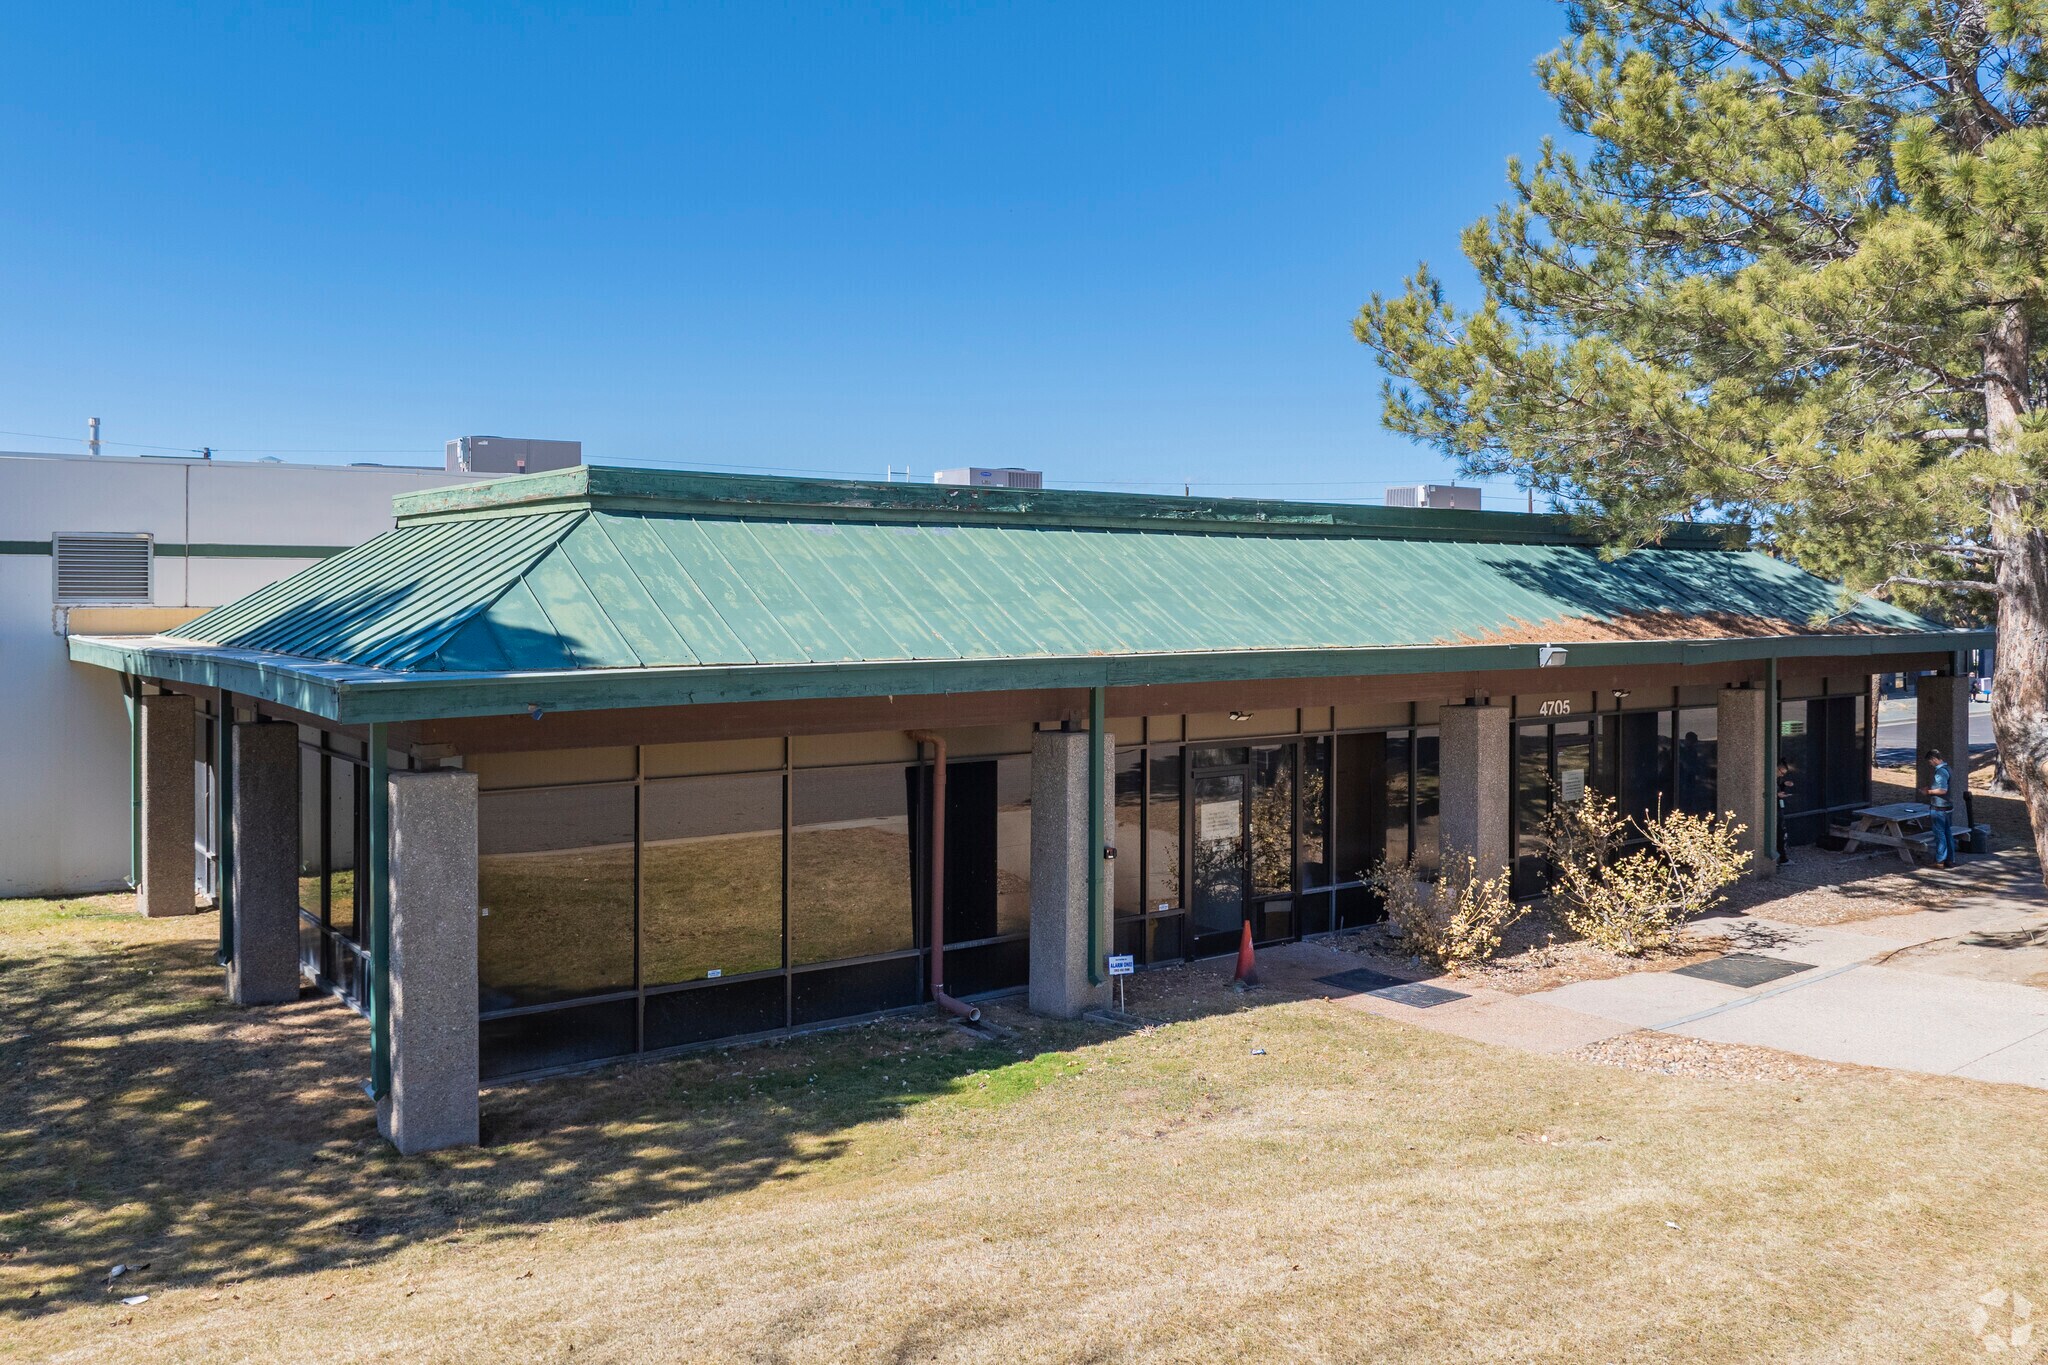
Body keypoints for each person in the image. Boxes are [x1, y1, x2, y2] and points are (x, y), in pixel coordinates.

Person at [1923, 746, 1956, 868]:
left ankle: (1940, 860)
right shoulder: (1948, 768)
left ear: (1934, 759)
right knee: (1948, 834)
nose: (1930, 764)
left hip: (1939, 807)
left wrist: (1929, 792)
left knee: (1939, 834)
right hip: (1948, 806)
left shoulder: (1940, 771)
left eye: (1930, 761)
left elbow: (1942, 790)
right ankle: (1950, 859)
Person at [1776, 759, 1792, 865]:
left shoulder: (1776, 779)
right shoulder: (1770, 778)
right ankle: (1782, 857)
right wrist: (1777, 795)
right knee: (1780, 832)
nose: (1781, 775)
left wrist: (1784, 785)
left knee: (1782, 832)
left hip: (1778, 806)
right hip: (1776, 809)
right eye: (1781, 773)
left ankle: (1782, 856)